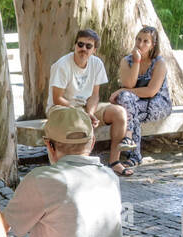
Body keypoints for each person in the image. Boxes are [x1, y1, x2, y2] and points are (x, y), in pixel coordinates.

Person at [3, 106, 123, 237]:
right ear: (92, 142)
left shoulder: (43, 179)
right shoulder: (110, 177)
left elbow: (0, 229)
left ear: (49, 145)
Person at [49, 28, 132, 176]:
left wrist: (90, 113)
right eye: (80, 44)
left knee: (120, 113)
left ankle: (114, 161)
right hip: (62, 108)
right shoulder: (62, 65)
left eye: (88, 46)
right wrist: (81, 114)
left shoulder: (97, 64)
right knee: (80, 122)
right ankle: (81, 167)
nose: (83, 49)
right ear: (75, 45)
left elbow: (95, 95)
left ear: (94, 50)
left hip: (85, 107)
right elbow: (57, 98)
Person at [108, 25, 173, 167]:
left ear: (153, 45)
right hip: (135, 103)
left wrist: (120, 91)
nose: (140, 44)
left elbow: (151, 91)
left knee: (128, 105)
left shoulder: (159, 63)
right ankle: (130, 141)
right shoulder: (127, 61)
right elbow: (129, 84)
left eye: (145, 41)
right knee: (127, 101)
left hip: (158, 103)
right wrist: (136, 61)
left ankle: (133, 150)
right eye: (138, 40)